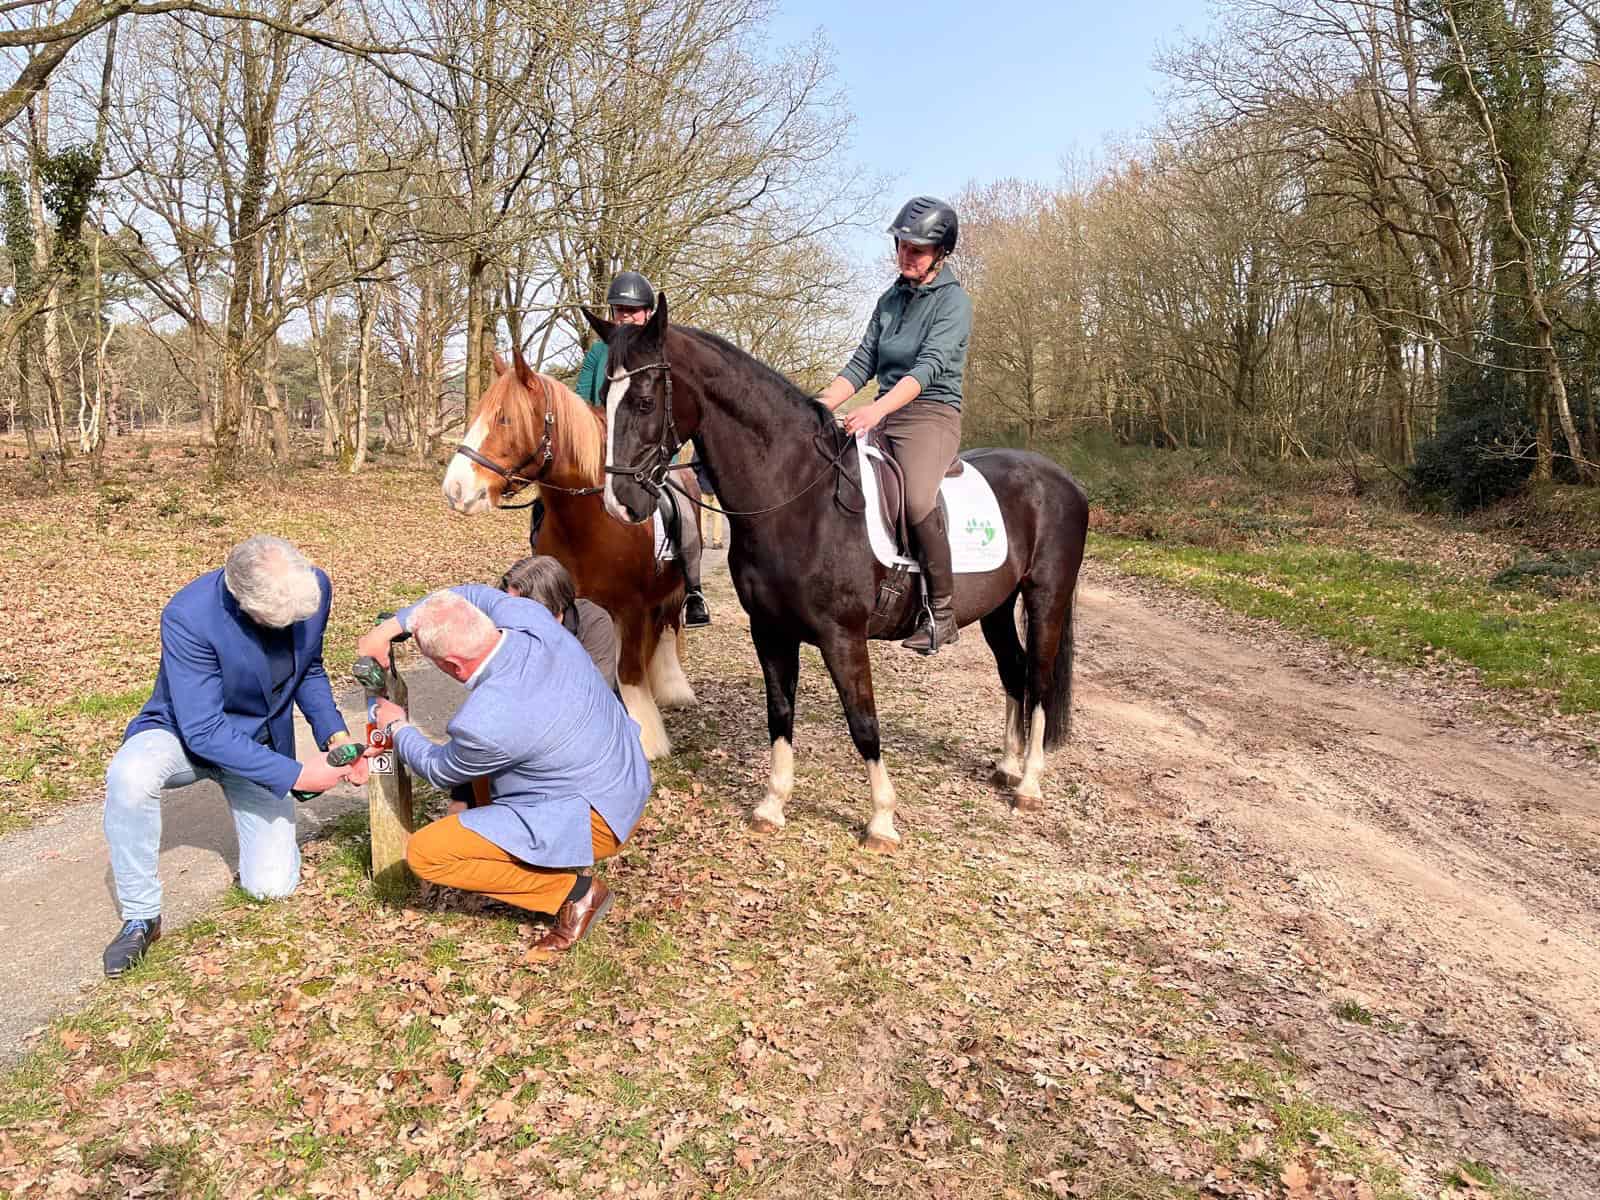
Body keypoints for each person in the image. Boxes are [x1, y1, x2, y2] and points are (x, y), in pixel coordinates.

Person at [101, 535, 368, 977]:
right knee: (130, 775)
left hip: (259, 742)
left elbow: (309, 668)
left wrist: (335, 737)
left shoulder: (313, 587)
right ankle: (141, 916)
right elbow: (204, 729)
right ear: (240, 599)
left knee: (271, 888)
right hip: (185, 735)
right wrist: (297, 775)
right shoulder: (190, 616)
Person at [355, 586, 650, 959]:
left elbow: (438, 769)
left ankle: (576, 894)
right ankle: (513, 844)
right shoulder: (531, 620)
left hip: (597, 818)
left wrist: (397, 727)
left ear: (452, 665)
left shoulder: (485, 721)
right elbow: (470, 592)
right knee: (482, 769)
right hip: (625, 778)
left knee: (426, 854)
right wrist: (391, 628)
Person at [816, 196, 972, 655]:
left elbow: (927, 369)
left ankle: (941, 612)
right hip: (886, 410)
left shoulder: (954, 302)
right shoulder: (890, 299)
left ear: (940, 253)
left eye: (917, 249)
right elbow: (862, 362)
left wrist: (876, 410)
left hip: (930, 414)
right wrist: (817, 405)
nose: (906, 255)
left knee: (919, 498)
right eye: (902, 245)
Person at [573, 270, 712, 629]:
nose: (625, 317)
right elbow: (581, 400)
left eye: (633, 311)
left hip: (653, 453)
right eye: (619, 310)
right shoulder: (598, 353)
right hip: (606, 451)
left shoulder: (662, 351)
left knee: (682, 499)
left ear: (648, 313)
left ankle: (692, 590)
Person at [499, 555, 619, 692]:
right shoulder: (507, 625)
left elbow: (597, 693)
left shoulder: (593, 623)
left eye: (521, 608)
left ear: (549, 606)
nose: (512, 616)